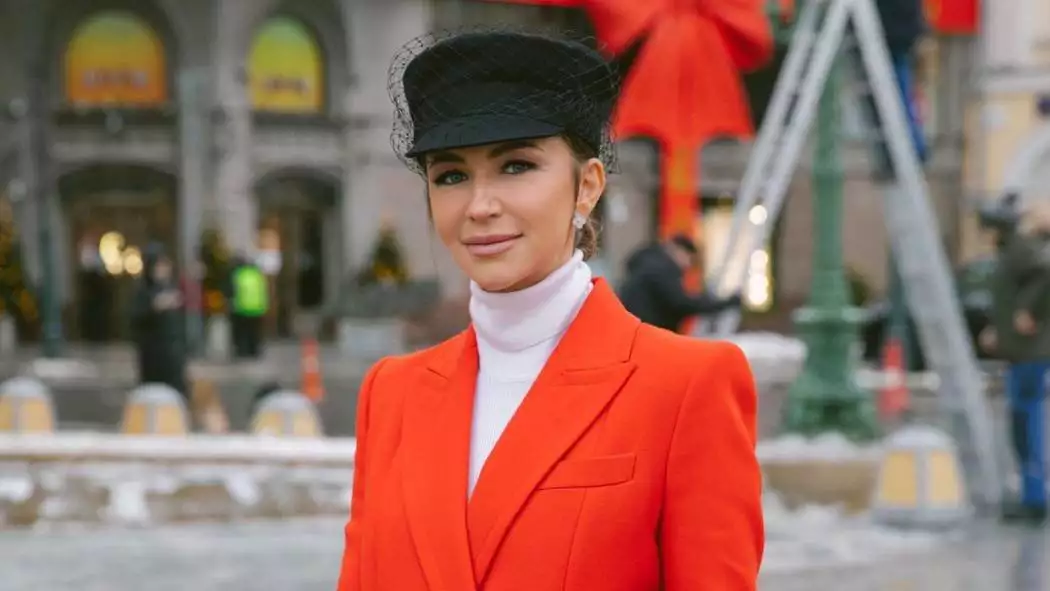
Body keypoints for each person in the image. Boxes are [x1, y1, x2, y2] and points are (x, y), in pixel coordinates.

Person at [337, 31, 763, 591]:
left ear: (587, 186)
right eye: (451, 176)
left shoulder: (687, 387)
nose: (480, 206)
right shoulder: (391, 394)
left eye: (516, 166)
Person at [978, 195, 1050, 524]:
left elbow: (1045, 274)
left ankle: (1035, 499)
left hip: (1031, 353)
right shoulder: (1012, 251)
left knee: (1026, 423)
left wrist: (1027, 310)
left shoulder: (1020, 249)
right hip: (1022, 351)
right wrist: (999, 327)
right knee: (1021, 422)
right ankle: (1031, 495)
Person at [618, 234, 742, 332]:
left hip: (638, 332)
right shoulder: (661, 269)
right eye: (689, 258)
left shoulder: (647, 264)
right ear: (677, 249)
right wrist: (724, 303)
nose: (688, 265)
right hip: (650, 335)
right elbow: (681, 303)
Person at [132, 243, 188, 399]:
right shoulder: (143, 291)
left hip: (173, 356)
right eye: (159, 266)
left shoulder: (170, 288)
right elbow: (136, 319)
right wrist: (154, 307)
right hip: (153, 357)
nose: (163, 269)